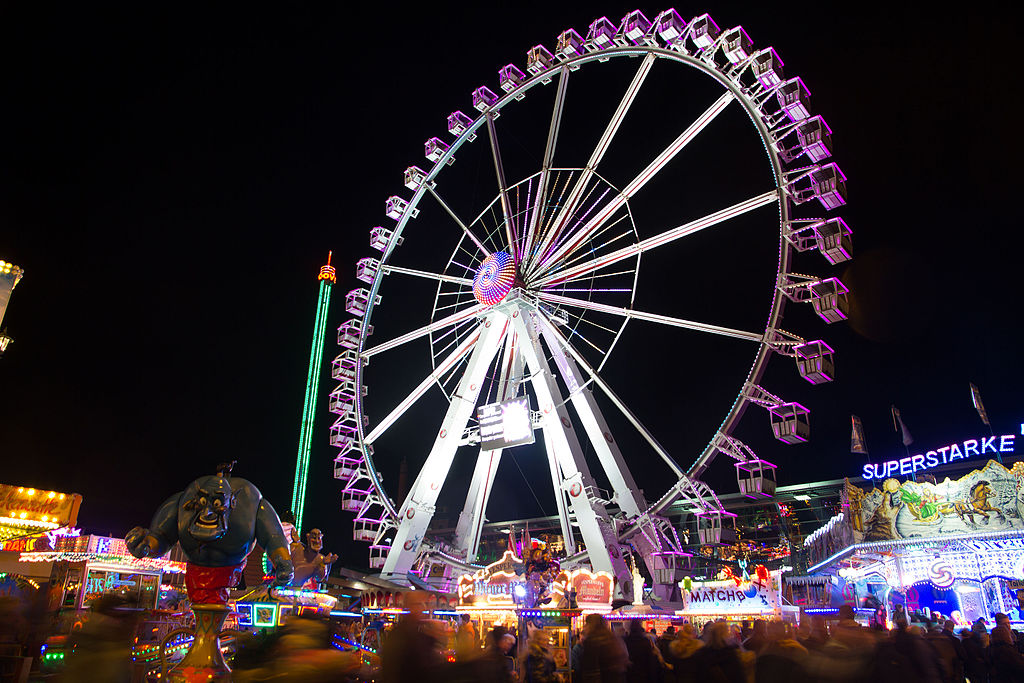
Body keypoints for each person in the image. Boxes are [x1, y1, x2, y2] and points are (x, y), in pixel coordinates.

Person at [379, 591, 443, 683]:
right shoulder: (402, 635)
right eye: (420, 604)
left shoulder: (413, 631)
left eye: (425, 604)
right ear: (411, 606)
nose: (423, 608)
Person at [577, 613, 628, 683]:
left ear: (591, 625)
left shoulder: (592, 642)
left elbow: (591, 671)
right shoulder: (614, 639)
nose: (585, 627)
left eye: (586, 624)